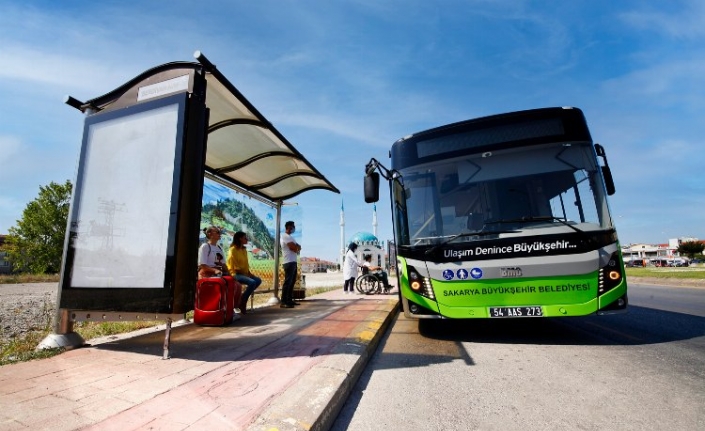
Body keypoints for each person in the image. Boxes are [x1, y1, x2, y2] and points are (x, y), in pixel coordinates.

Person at [227, 231, 262, 314]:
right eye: (245, 238)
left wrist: (249, 273)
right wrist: (245, 274)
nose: (247, 239)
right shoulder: (233, 250)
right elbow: (234, 267)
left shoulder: (244, 250)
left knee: (258, 280)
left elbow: (245, 264)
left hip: (244, 273)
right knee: (252, 282)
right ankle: (243, 301)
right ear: (240, 239)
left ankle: (243, 298)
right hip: (235, 274)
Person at [280, 221, 301, 308]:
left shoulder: (291, 237)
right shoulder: (285, 236)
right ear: (289, 227)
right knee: (288, 282)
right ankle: (284, 301)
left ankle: (289, 300)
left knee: (292, 281)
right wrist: (296, 247)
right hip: (288, 262)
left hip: (293, 261)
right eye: (293, 226)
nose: (294, 228)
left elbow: (298, 247)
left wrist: (296, 247)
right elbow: (294, 248)